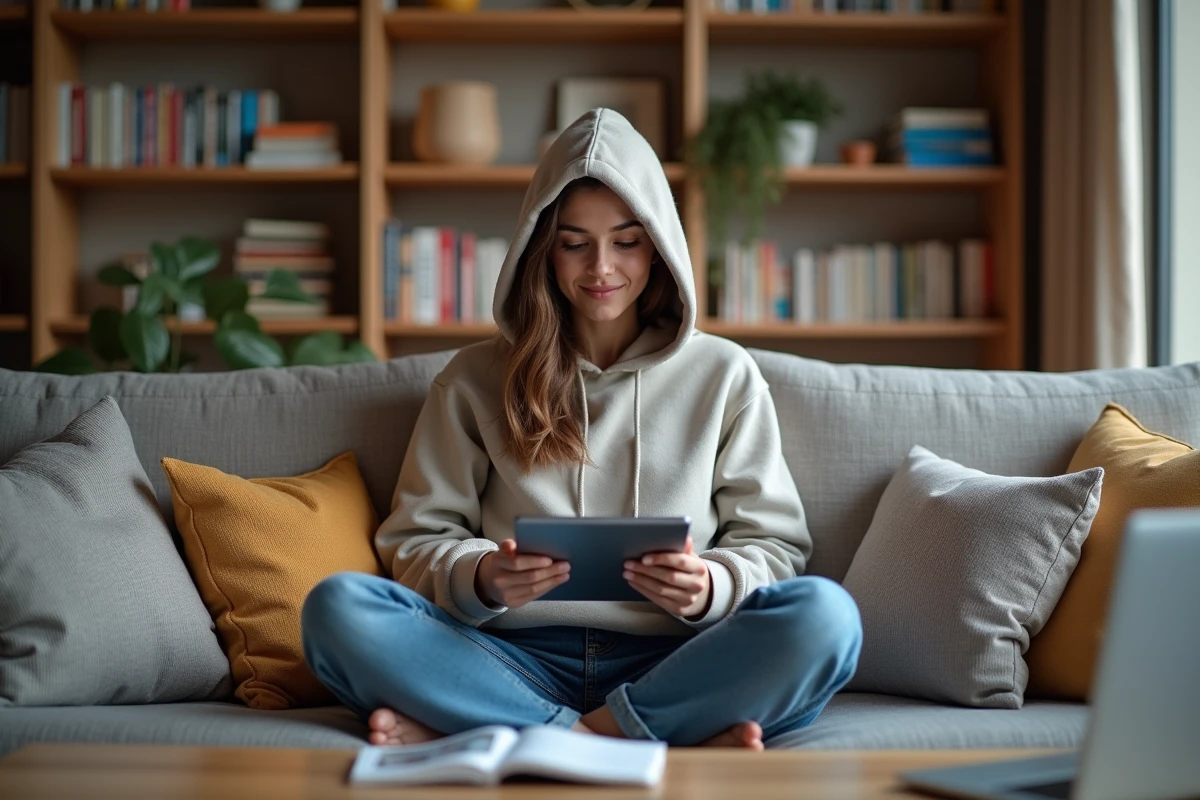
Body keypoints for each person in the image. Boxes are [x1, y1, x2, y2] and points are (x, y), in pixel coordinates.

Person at [301, 109, 862, 750]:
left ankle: (499, 729)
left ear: (658, 245)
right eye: (574, 243)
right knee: (337, 609)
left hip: (675, 658)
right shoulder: (474, 377)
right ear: (542, 246)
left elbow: (776, 549)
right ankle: (642, 735)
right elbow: (416, 542)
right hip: (509, 656)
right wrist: (482, 577)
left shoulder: (725, 374)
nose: (601, 267)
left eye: (626, 241)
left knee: (826, 618)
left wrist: (711, 585)